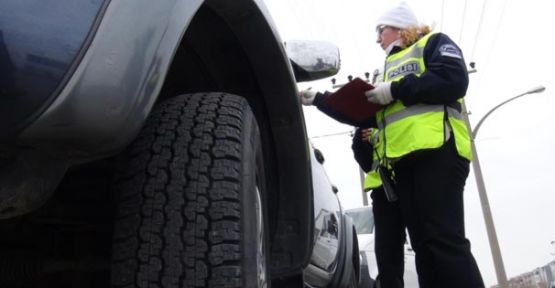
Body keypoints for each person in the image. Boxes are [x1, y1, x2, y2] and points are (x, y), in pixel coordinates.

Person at [362, 2, 485, 287]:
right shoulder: (385, 70)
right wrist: (320, 99)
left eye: (381, 30)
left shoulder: (434, 43)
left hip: (439, 151)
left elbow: (453, 79)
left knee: (444, 239)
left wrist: (395, 89)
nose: (378, 38)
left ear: (401, 27)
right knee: (423, 247)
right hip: (403, 162)